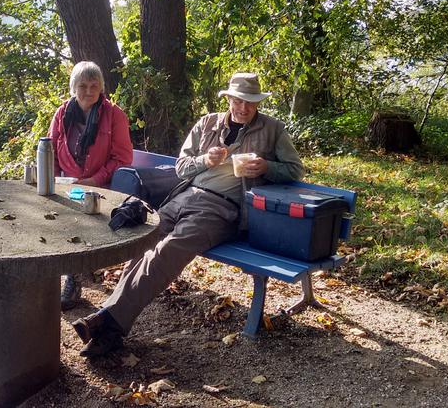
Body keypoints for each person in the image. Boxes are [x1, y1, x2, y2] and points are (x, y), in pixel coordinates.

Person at [71, 72, 304, 356]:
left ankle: (109, 323)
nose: (244, 108)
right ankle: (110, 325)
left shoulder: (273, 129)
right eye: (238, 101)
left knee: (167, 250)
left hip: (223, 208)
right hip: (184, 195)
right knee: (143, 244)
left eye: (251, 103)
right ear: (228, 98)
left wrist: (267, 167)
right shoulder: (207, 123)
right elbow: (181, 167)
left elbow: (294, 169)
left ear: (258, 103)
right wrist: (205, 160)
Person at [48, 61, 133, 310]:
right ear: (73, 87)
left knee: (75, 213)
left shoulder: (114, 114)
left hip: (103, 186)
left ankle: (72, 280)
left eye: (94, 85)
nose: (88, 91)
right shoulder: (63, 113)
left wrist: (93, 181)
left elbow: (123, 158)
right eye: (82, 85)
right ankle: (63, 272)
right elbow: (51, 150)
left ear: (101, 87)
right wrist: (53, 182)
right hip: (67, 182)